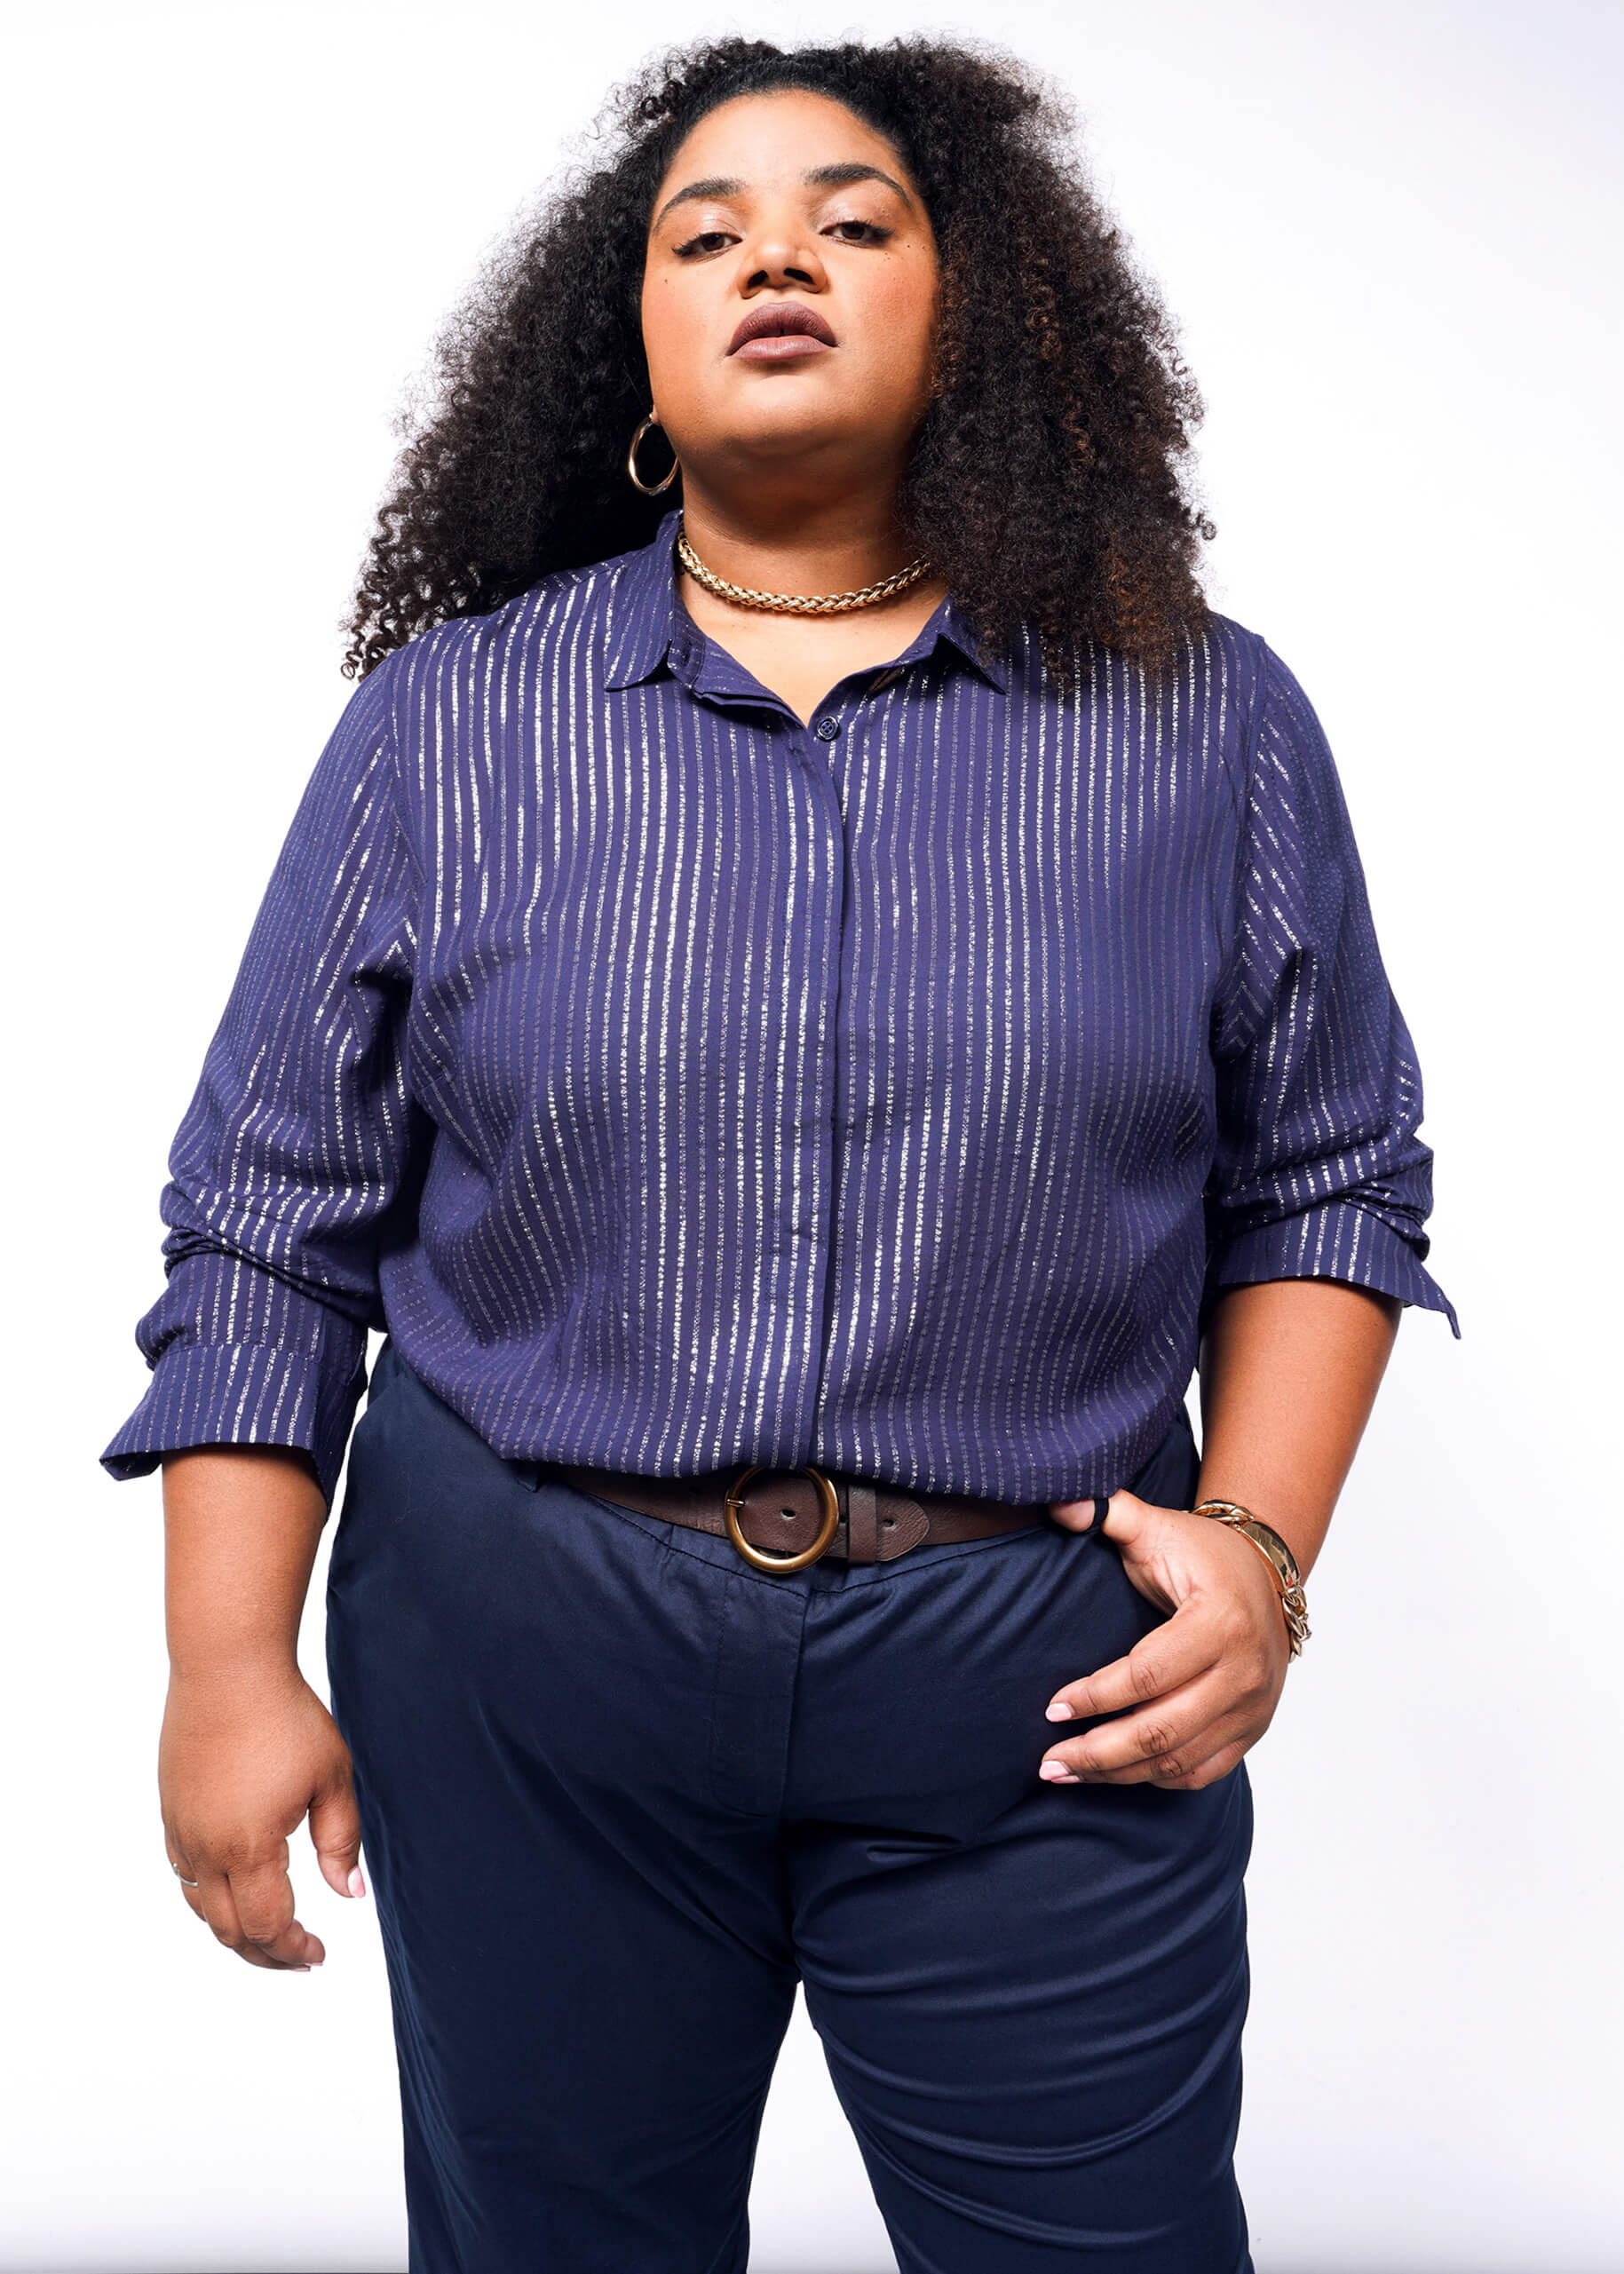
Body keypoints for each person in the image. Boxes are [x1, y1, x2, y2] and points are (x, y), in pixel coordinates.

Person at [103, 35, 1455, 2274]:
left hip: (1039, 1683)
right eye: (703, 234)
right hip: (526, 1662)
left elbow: (1326, 1171)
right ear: (627, 339)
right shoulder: (451, 722)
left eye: (850, 220)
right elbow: (268, 1220)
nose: (773, 263)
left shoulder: (1202, 716)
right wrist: (226, 1671)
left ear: (988, 316)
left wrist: (1261, 1552)